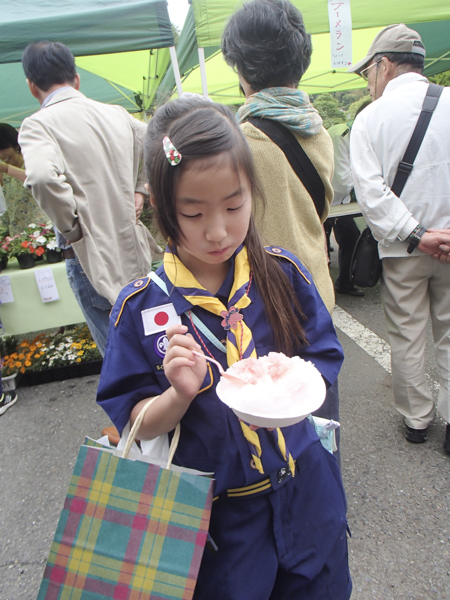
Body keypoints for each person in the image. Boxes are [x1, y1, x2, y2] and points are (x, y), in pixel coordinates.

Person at [96, 97, 352, 600]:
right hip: (216, 525)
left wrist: (291, 393)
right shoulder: (140, 310)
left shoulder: (281, 276)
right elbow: (133, 422)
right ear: (162, 207)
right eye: (193, 213)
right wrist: (178, 396)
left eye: (235, 206)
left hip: (306, 493)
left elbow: (323, 359)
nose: (218, 231)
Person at [221, 0, 341, 451]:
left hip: (268, 307)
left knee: (274, 428)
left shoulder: (242, 143)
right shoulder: (317, 130)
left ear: (241, 68)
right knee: (319, 414)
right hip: (317, 293)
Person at [18, 41, 162, 355]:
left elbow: (41, 177)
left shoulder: (38, 125)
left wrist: (72, 229)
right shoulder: (116, 114)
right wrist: (141, 188)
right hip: (132, 248)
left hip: (91, 257)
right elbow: (160, 141)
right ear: (76, 78)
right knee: (154, 346)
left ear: (32, 86)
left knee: (123, 363)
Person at [348, 24, 450, 451]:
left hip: (403, 248)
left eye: (367, 72)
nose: (368, 82)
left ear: (384, 65)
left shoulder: (370, 119)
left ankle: (417, 421)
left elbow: (370, 193)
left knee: (407, 334)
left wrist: (417, 234)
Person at [326, 100, 372, 297]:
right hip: (328, 199)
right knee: (322, 243)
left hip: (340, 201)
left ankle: (343, 281)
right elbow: (343, 181)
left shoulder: (357, 135)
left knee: (350, 237)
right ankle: (322, 287)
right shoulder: (341, 135)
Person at [0, 123, 48, 235]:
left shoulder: (32, 164)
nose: (2, 155)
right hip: (18, 238)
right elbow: (11, 207)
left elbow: (37, 180)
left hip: (40, 234)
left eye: (4, 149)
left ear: (16, 145)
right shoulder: (5, 174)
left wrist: (7, 169)